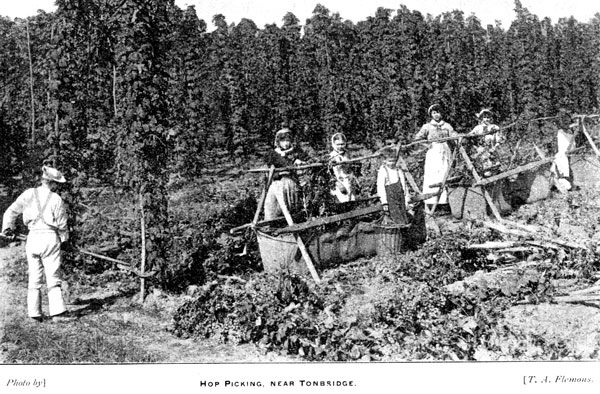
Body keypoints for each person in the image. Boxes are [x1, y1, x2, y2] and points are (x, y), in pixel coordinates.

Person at [2, 165, 72, 323]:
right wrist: (64, 240)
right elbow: (62, 224)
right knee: (53, 275)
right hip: (49, 238)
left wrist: (7, 228)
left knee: (34, 276)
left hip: (32, 238)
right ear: (53, 184)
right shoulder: (56, 199)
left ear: (42, 180)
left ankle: (34, 314)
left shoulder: (28, 194)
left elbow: (11, 211)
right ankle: (58, 313)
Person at [414, 103, 458, 209]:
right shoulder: (427, 126)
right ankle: (431, 202)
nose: (437, 115)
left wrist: (457, 138)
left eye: (438, 112)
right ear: (431, 115)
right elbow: (417, 138)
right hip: (433, 153)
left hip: (444, 151)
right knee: (433, 175)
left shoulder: (446, 125)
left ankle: (445, 202)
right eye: (434, 113)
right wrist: (427, 145)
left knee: (444, 173)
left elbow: (453, 135)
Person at [263, 127, 311, 220]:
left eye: (288, 140)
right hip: (277, 183)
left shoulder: (296, 151)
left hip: (292, 182)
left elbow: (308, 160)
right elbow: (283, 163)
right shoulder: (273, 153)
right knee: (273, 205)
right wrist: (293, 161)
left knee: (292, 206)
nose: (286, 143)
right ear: (278, 142)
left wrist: (301, 161)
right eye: (283, 141)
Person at [377, 147, 410, 224]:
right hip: (391, 200)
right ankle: (400, 233)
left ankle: (404, 233)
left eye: (394, 161)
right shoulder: (383, 171)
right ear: (384, 161)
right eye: (389, 161)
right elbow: (381, 188)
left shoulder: (398, 170)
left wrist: (407, 199)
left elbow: (404, 186)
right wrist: (384, 202)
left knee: (404, 217)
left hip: (400, 197)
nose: (392, 163)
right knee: (397, 219)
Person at [468, 108, 503, 176]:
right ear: (481, 118)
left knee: (495, 166)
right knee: (486, 169)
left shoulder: (494, 127)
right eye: (485, 117)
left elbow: (499, 138)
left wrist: (495, 147)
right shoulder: (478, 128)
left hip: (493, 148)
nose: (487, 119)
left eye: (488, 117)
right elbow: (470, 135)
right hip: (482, 150)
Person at [551, 109, 576, 193]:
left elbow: (572, 144)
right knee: (560, 157)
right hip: (563, 151)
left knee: (561, 157)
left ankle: (564, 180)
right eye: (564, 123)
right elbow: (561, 144)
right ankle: (562, 179)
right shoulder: (560, 132)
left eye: (567, 123)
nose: (566, 125)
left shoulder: (569, 132)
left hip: (568, 150)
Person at [328, 133, 356, 203]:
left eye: (342, 144)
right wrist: (338, 183)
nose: (340, 146)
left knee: (352, 202)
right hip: (339, 184)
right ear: (333, 144)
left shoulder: (348, 154)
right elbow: (330, 173)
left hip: (349, 182)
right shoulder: (331, 156)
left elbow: (352, 168)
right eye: (338, 144)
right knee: (344, 204)